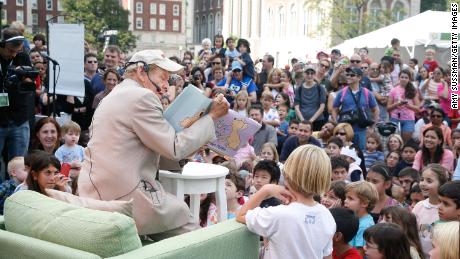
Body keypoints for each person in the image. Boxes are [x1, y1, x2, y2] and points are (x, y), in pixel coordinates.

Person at [77, 49, 229, 237]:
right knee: (190, 227)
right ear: (141, 72)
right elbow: (174, 148)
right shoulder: (142, 97)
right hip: (125, 196)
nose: (166, 86)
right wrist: (212, 117)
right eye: (162, 78)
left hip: (96, 191)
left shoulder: (116, 94)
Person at [236, 145, 336, 259]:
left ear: (287, 176)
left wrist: (266, 189)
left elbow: (241, 215)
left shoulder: (278, 214)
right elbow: (327, 256)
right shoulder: (327, 215)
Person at [0, 28, 36, 170]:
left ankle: (17, 191)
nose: (14, 54)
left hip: (19, 118)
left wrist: (25, 77)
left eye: (17, 51)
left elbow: (29, 82)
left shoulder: (22, 57)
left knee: (20, 164)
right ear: (1, 45)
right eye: (10, 51)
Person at [332, 67, 379, 150]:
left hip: (361, 129)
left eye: (352, 75)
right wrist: (336, 123)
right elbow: (334, 109)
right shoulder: (342, 92)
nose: (349, 77)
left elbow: (376, 109)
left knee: (360, 153)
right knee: (344, 152)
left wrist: (372, 127)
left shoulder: (367, 93)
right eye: (347, 75)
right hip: (345, 130)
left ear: (359, 78)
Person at [412, 164, 448, 258]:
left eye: (429, 181)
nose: (423, 183)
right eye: (422, 179)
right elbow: (412, 232)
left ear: (442, 183)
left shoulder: (447, 209)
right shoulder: (419, 206)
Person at [344, 181, 379, 252]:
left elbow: (360, 253)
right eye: (346, 197)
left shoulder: (364, 226)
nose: (345, 201)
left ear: (364, 203)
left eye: (350, 198)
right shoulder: (354, 219)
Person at [387, 70, 421, 142]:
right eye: (402, 77)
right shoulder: (393, 90)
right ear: (399, 78)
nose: (404, 79)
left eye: (406, 77)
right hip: (395, 118)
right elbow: (388, 108)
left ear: (409, 79)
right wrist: (396, 104)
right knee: (394, 141)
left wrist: (408, 105)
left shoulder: (413, 90)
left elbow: (418, 109)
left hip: (409, 119)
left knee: (405, 142)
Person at [294, 65, 327, 131]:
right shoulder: (299, 89)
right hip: (302, 121)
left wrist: (310, 121)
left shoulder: (320, 88)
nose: (310, 75)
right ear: (304, 74)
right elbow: (296, 107)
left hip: (318, 121)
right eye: (307, 73)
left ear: (315, 74)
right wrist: (303, 121)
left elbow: (322, 107)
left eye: (312, 73)